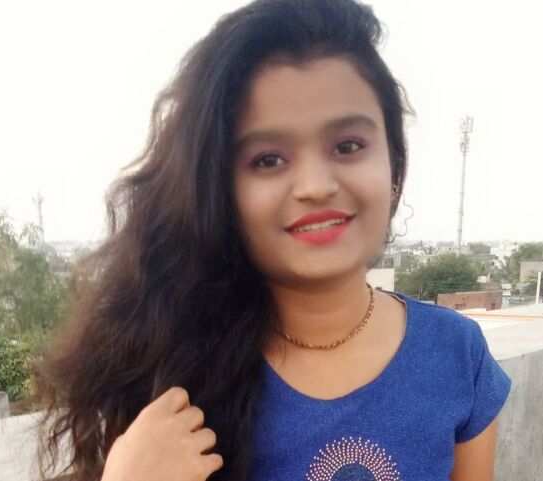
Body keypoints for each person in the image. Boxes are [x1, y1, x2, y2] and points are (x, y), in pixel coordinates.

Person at [35, 0, 512, 480]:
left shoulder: (456, 354)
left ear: (394, 165)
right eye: (268, 159)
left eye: (348, 146)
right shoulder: (170, 372)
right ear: (220, 191)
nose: (315, 186)